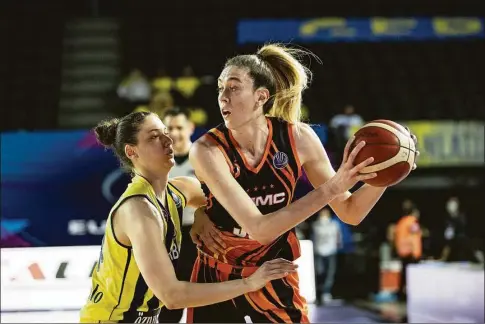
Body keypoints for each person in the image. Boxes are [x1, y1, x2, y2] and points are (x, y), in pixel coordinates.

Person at [188, 43, 419, 323]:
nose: (223, 97)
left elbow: (350, 212)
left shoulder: (298, 138)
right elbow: (261, 229)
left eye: (234, 87)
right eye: (220, 88)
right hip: (218, 273)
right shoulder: (207, 149)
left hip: (275, 270)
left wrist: (385, 173)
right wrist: (332, 187)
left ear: (261, 96)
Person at [79, 111, 299, 323]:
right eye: (154, 137)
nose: (168, 140)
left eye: (165, 132)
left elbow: (220, 200)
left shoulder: (179, 190)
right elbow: (172, 296)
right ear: (131, 152)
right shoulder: (139, 209)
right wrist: (250, 283)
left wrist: (202, 213)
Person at [157, 107, 197, 323]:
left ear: (190, 128)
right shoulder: (156, 163)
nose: (174, 133)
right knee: (168, 303)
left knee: (205, 300)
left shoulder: (204, 158)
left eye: (179, 127)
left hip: (198, 237)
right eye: (169, 128)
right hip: (167, 238)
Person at [312, 208, 342, 304]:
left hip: (331, 251)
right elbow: (314, 238)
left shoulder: (334, 224)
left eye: (325, 214)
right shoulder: (316, 225)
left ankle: (326, 292)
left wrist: (338, 245)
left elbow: (338, 237)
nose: (324, 216)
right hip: (319, 251)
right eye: (322, 214)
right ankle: (319, 293)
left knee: (330, 273)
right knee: (319, 272)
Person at [394, 206, 422, 300]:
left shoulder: (402, 221)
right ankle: (410, 294)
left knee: (404, 274)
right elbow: (414, 239)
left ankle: (400, 293)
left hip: (402, 251)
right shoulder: (412, 222)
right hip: (410, 252)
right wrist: (416, 253)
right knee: (411, 275)